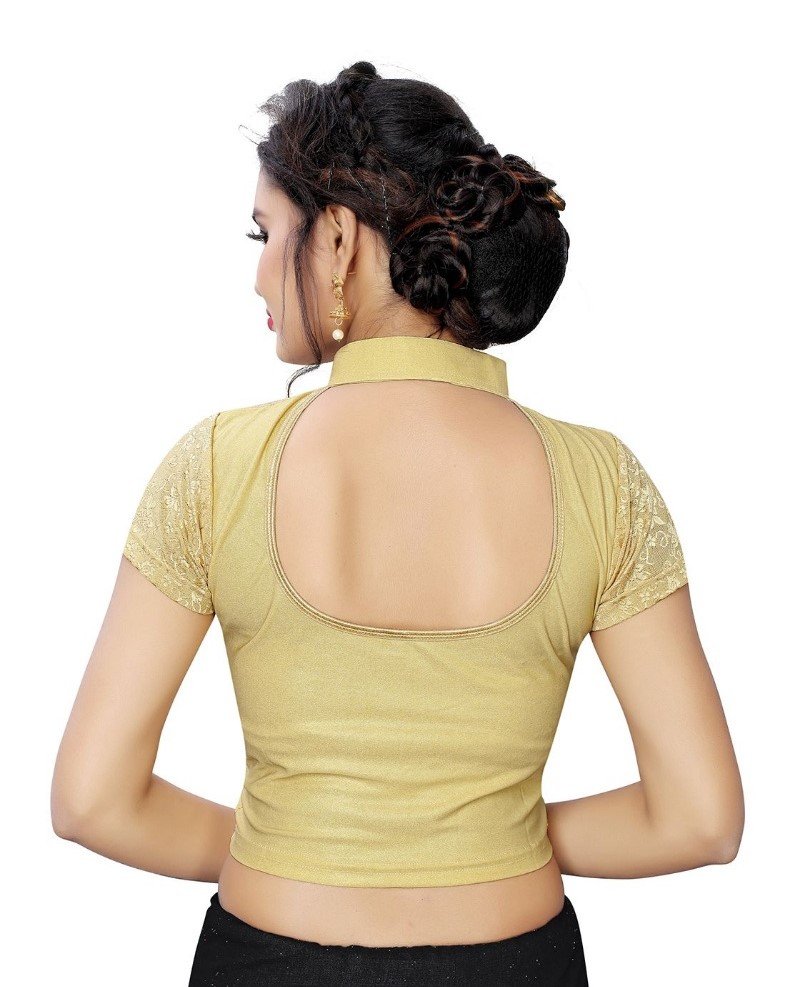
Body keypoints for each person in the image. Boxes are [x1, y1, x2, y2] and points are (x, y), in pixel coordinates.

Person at [51, 61, 744, 986]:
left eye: (266, 232)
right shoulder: (602, 481)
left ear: (338, 238)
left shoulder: (216, 467)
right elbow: (699, 819)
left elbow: (92, 799)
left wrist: (298, 847)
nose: (257, 272)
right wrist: (491, 833)